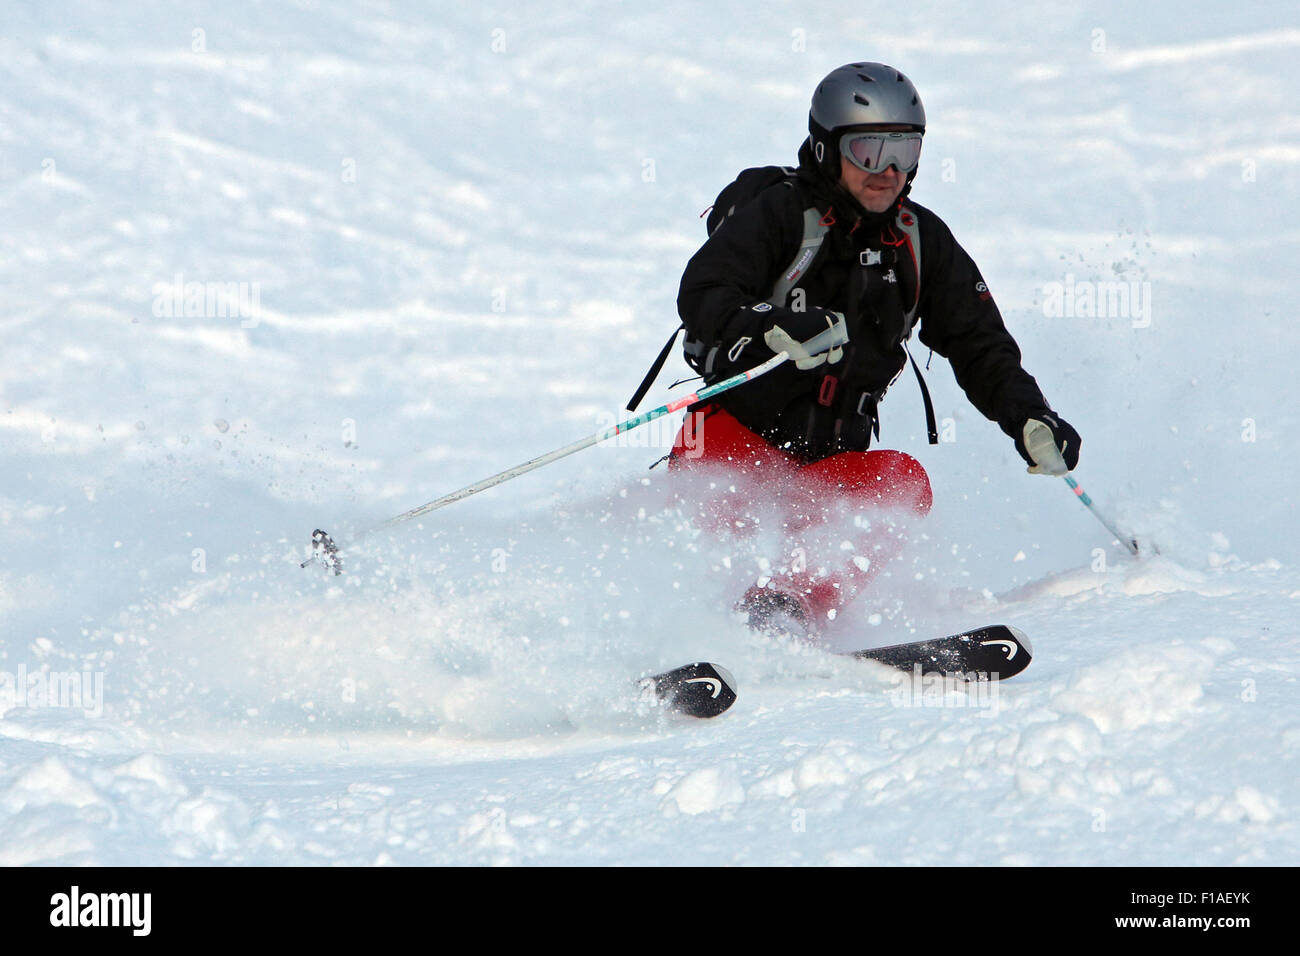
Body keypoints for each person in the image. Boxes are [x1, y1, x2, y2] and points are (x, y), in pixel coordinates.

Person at [667, 62, 1080, 633]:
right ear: (826, 147)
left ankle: (790, 615)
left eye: (905, 153)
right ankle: (691, 622)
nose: (888, 171)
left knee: (901, 484)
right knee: (721, 520)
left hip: (829, 465)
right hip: (731, 439)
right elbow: (704, 289)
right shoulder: (782, 214)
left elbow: (979, 343)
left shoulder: (918, 239)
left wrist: (1029, 416)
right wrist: (771, 326)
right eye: (868, 150)